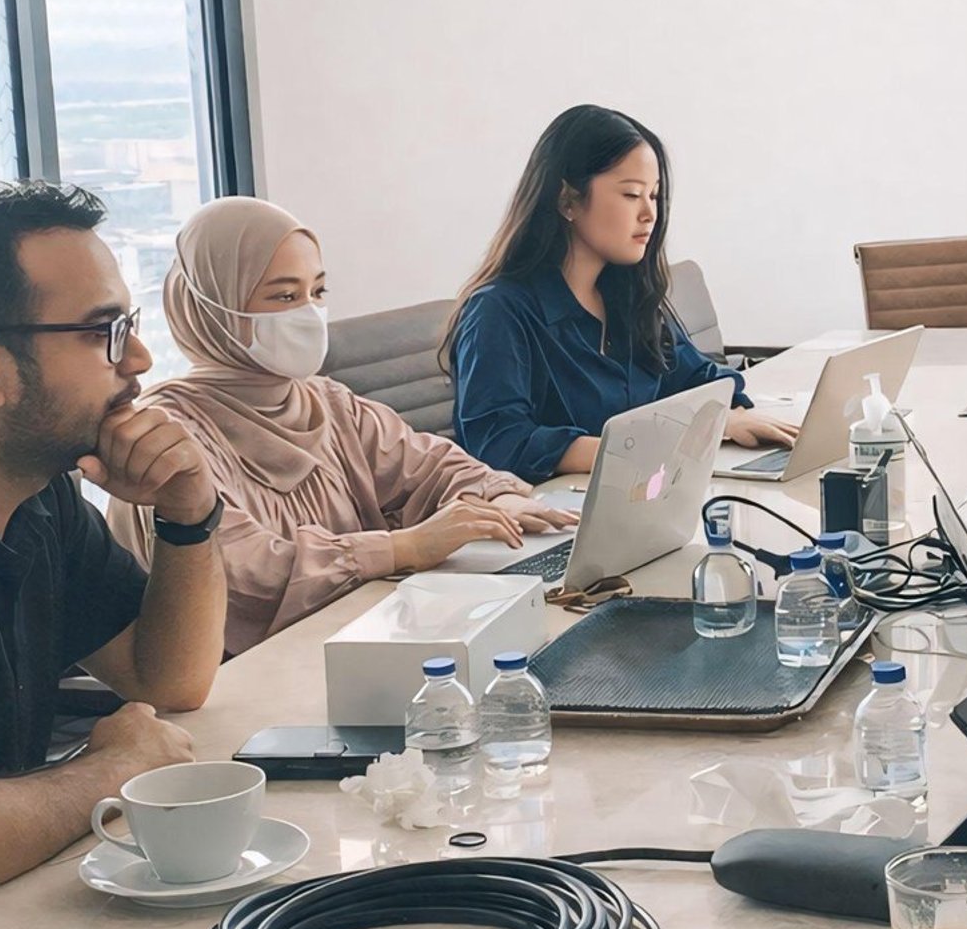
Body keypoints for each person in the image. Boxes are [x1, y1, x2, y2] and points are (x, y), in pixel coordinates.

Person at [0, 183, 227, 924]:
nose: (139, 359)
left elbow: (170, 678)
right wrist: (115, 770)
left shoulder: (36, 489)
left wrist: (188, 512)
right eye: (104, 332)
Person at [106, 198, 576, 657]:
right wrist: (401, 548)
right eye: (285, 296)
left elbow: (431, 465)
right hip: (252, 673)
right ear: (212, 309)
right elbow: (242, 575)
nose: (308, 313)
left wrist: (499, 498)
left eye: (318, 293)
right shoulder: (168, 435)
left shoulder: (325, 401)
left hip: (359, 639)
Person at [447, 105, 797, 481]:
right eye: (632, 195)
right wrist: (649, 446)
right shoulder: (498, 311)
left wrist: (730, 417)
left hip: (645, 495)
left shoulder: (629, 296)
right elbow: (500, 443)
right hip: (558, 510)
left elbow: (697, 378)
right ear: (568, 200)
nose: (650, 214)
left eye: (654, 195)